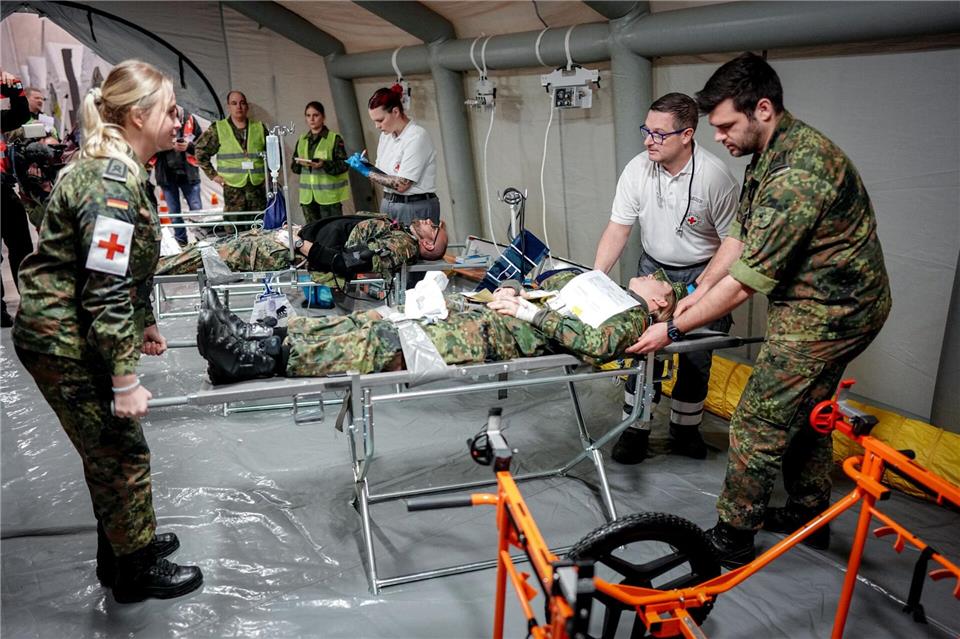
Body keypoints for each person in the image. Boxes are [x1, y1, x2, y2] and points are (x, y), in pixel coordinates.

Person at [629, 52, 892, 566]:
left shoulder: (799, 172)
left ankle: (734, 533)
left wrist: (673, 330)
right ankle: (809, 512)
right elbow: (738, 239)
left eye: (726, 125)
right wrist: (693, 291)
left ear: (763, 109)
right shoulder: (768, 155)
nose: (719, 136)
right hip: (819, 300)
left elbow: (746, 283)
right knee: (807, 409)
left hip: (833, 312)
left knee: (757, 418)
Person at [12, 60, 204, 603]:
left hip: (71, 330)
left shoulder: (121, 169)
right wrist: (124, 379)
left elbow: (124, 268)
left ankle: (124, 549)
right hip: (63, 340)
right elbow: (104, 287)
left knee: (110, 450)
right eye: (170, 109)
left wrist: (144, 325)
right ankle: (133, 570)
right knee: (120, 452)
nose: (178, 120)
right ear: (140, 115)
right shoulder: (109, 182)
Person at [196, 268, 684, 384]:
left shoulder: (631, 314)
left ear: (660, 297)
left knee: (380, 343)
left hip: (491, 335)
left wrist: (531, 313)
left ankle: (257, 360)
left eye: (650, 276)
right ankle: (264, 338)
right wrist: (519, 293)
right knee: (375, 318)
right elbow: (546, 289)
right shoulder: (605, 288)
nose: (639, 271)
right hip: (483, 313)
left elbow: (597, 344)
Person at [594, 92, 740, 464]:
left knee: (696, 358)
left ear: (687, 135)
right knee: (644, 353)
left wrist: (701, 290)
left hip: (704, 270)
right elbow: (618, 229)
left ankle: (685, 431)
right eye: (646, 130)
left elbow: (733, 245)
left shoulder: (714, 178)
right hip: (653, 269)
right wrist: (596, 278)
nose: (648, 140)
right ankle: (636, 428)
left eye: (659, 134)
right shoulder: (637, 168)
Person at [156, 214, 447, 281]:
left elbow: (347, 263)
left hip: (286, 250)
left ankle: (140, 272)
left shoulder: (400, 245)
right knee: (207, 249)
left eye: (432, 226)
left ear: (427, 243)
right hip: (288, 240)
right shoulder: (396, 230)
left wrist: (299, 244)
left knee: (206, 255)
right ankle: (143, 269)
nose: (428, 220)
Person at [345, 85, 439, 226]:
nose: (377, 126)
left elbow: (402, 184)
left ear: (395, 111)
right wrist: (367, 165)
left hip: (414, 206)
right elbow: (384, 175)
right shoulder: (386, 136)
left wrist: (367, 172)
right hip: (389, 202)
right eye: (374, 121)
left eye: (380, 120)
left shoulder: (417, 136)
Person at [195, 90, 267, 213]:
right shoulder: (218, 128)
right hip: (233, 190)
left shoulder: (259, 127)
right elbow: (200, 151)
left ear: (247, 106)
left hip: (257, 189)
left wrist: (270, 174)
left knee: (260, 226)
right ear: (228, 106)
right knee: (235, 227)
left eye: (242, 103)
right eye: (234, 103)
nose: (238, 106)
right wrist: (213, 175)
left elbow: (274, 153)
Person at [0, 68, 33, 327]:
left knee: (22, 246)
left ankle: (30, 301)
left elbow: (20, 115)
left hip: (3, 190)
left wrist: (14, 88)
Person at [291, 101, 350, 223]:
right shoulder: (302, 139)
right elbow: (294, 167)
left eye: (315, 115)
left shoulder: (334, 139)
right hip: (308, 199)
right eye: (308, 115)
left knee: (332, 233)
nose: (311, 119)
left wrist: (324, 164)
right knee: (312, 234)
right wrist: (299, 163)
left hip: (329, 199)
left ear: (323, 117)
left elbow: (344, 165)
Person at [153, 105, 204, 245]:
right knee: (174, 214)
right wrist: (168, 145)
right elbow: (150, 145)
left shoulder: (190, 119)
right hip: (167, 176)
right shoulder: (156, 120)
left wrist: (189, 146)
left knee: (197, 213)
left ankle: (202, 243)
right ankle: (181, 244)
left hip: (190, 175)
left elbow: (203, 145)